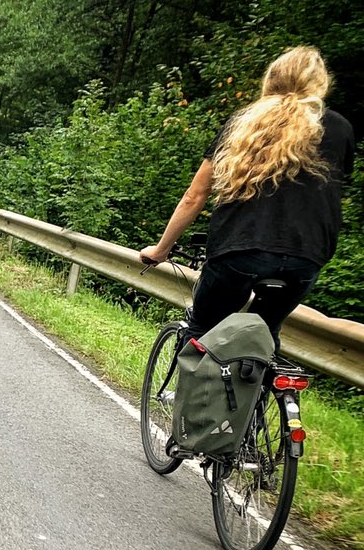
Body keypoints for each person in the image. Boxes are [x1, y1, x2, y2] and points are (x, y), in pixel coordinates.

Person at [140, 45, 355, 345]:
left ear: (271, 81)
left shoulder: (244, 123)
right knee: (265, 334)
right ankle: (265, 377)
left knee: (202, 329)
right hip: (306, 257)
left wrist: (162, 249)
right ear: (320, 83)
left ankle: (190, 388)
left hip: (238, 251)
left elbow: (195, 195)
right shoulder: (340, 128)